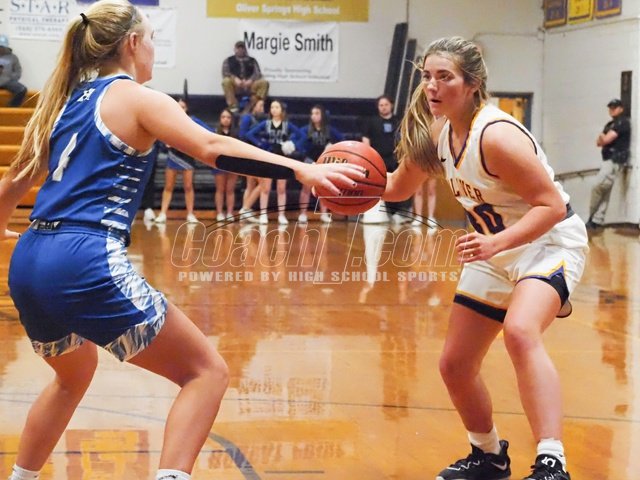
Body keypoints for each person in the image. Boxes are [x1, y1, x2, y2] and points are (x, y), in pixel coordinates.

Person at [0, 3, 364, 480]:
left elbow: (14, 181)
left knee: (73, 375)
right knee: (206, 373)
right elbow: (212, 148)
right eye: (151, 38)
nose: (153, 48)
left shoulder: (64, 103)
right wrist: (301, 169)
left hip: (30, 258)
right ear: (132, 43)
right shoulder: (137, 98)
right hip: (83, 257)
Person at [384, 36, 588, 480]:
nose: (432, 86)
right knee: (455, 364)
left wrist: (497, 244)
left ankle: (552, 463)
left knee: (520, 331)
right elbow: (396, 187)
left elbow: (552, 206)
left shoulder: (495, 136)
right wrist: (343, 181)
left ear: (472, 84)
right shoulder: (439, 132)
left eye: (445, 77)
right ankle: (489, 456)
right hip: (493, 248)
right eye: (427, 76)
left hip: (547, 241)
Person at [245, 99, 304, 225]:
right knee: (265, 188)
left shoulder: (287, 124)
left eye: (277, 107)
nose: (274, 110)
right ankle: (263, 214)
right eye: (272, 107)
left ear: (282, 110)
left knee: (281, 188)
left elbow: (302, 136)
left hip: (282, 157)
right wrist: (261, 144)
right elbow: (249, 134)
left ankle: (281, 215)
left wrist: (293, 145)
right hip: (269, 156)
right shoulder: (266, 123)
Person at [362, 94, 412, 223]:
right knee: (381, 186)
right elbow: (366, 140)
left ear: (391, 105)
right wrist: (368, 157)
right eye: (381, 105)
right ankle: (383, 213)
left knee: (399, 184)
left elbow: (405, 138)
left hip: (396, 158)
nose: (383, 107)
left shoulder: (398, 121)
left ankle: (401, 213)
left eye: (386, 105)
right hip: (378, 159)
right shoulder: (372, 122)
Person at [154, 98, 204, 224]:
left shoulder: (193, 121)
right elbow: (160, 136)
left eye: (183, 107)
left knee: (188, 186)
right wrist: (165, 143)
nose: (181, 109)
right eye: (179, 106)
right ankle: (163, 213)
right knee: (168, 186)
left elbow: (207, 132)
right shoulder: (169, 121)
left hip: (188, 157)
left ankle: (190, 214)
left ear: (187, 109)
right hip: (173, 156)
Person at [586, 98, 631, 230]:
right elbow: (598, 142)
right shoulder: (610, 124)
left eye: (614, 107)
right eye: (610, 108)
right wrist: (603, 138)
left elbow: (605, 140)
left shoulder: (622, 122)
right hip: (608, 160)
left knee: (598, 186)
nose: (612, 110)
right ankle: (597, 220)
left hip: (614, 160)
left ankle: (593, 217)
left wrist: (603, 137)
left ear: (621, 109)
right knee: (605, 190)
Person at [299, 104, 345, 223]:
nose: (314, 116)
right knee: (306, 187)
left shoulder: (329, 130)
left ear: (322, 115)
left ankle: (324, 213)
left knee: (324, 187)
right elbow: (298, 143)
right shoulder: (305, 129)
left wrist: (332, 147)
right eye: (312, 114)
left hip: (323, 162)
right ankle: (303, 213)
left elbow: (342, 139)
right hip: (310, 160)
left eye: (317, 113)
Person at [237, 97, 265, 221]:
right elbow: (242, 135)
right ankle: (245, 209)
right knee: (262, 183)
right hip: (249, 154)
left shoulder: (255, 118)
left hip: (253, 154)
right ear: (254, 106)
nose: (262, 109)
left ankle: (244, 212)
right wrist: (259, 143)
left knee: (251, 184)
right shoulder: (247, 118)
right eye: (260, 106)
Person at [221, 40, 269, 113]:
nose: (240, 50)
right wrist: (235, 79)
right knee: (226, 81)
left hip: (250, 85)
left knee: (264, 83)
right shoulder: (228, 60)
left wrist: (250, 80)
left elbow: (258, 73)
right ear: (235, 49)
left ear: (245, 49)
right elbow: (225, 72)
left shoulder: (252, 60)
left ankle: (251, 106)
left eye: (242, 48)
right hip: (235, 86)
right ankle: (233, 107)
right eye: (238, 48)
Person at [213, 108, 238, 221]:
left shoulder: (236, 133)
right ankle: (219, 213)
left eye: (228, 117)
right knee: (220, 189)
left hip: (232, 164)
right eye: (223, 117)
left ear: (231, 119)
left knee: (230, 189)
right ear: (220, 119)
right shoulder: (215, 133)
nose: (226, 119)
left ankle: (230, 213)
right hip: (219, 163)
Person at [0, 34, 28, 107]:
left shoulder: (13, 57)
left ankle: (11, 108)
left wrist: (8, 76)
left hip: (8, 81)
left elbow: (18, 71)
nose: (1, 48)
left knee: (22, 89)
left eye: (2, 46)